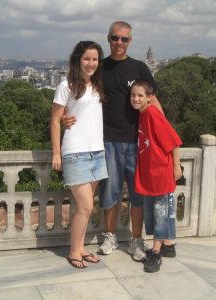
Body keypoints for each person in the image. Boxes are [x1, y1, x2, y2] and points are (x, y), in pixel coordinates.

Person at [63, 21, 163, 262]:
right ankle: (111, 235)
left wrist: (164, 137)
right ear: (109, 39)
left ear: (130, 41)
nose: (119, 43)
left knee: (138, 193)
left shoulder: (139, 68)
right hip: (107, 141)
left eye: (124, 39)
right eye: (115, 38)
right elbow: (80, 94)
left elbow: (153, 102)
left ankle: (137, 239)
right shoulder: (100, 68)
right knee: (111, 192)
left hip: (137, 142)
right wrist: (64, 117)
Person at [51, 41, 108, 269]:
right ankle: (74, 251)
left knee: (85, 207)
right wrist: (57, 152)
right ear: (77, 59)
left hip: (96, 151)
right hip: (76, 152)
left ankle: (82, 248)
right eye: (87, 58)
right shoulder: (66, 85)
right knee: (85, 206)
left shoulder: (96, 85)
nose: (91, 63)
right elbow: (55, 121)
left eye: (95, 59)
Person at [130, 80, 182, 272]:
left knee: (160, 214)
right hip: (150, 174)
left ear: (149, 98)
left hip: (160, 173)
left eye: (140, 96)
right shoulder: (142, 115)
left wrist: (177, 166)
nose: (135, 99)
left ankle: (156, 253)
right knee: (155, 213)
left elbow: (174, 141)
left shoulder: (152, 114)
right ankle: (168, 244)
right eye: (133, 95)